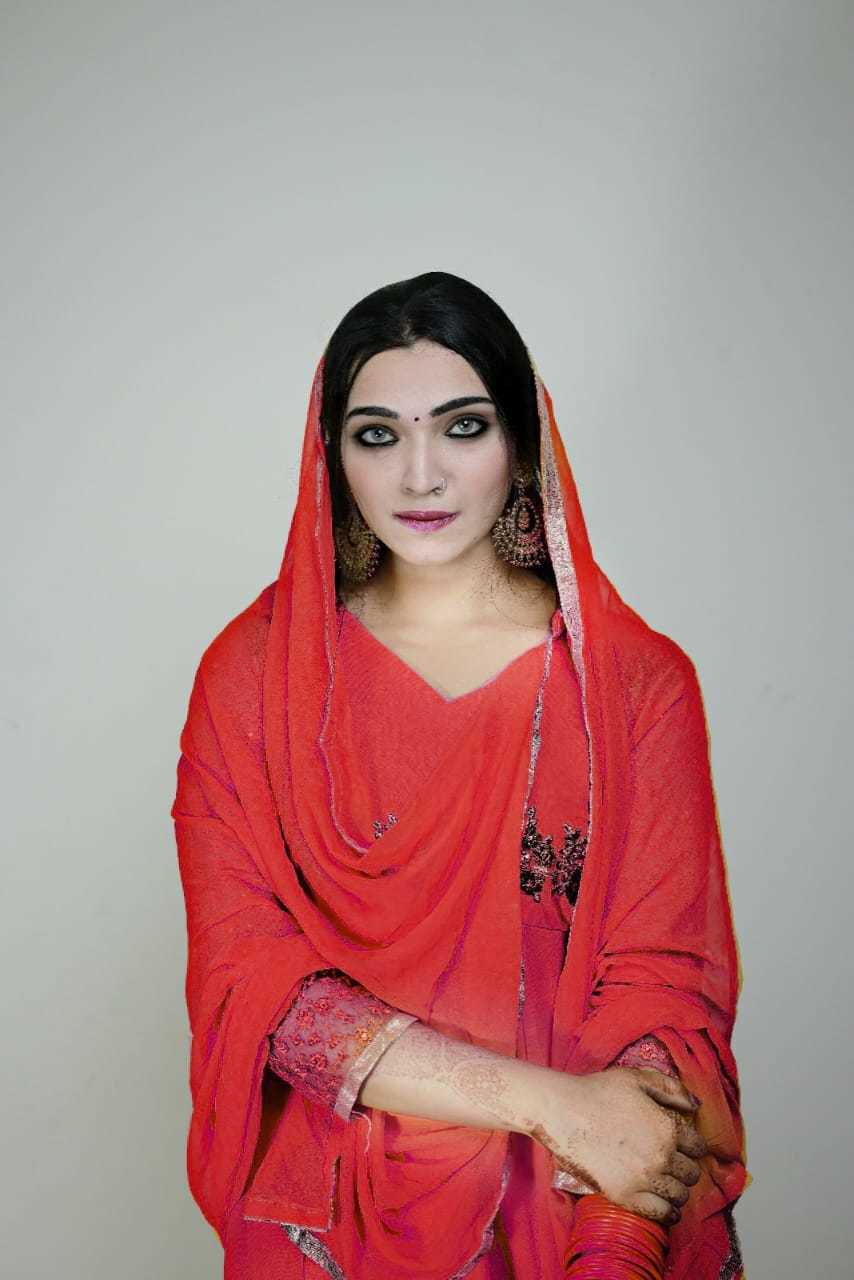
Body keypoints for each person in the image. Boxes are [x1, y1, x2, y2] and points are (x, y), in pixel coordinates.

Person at [172, 271, 749, 1279]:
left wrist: (612, 1238)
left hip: (574, 1209)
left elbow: (663, 995)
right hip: (329, 1213)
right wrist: (549, 1103)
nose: (419, 475)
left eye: (463, 427)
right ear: (331, 453)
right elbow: (257, 987)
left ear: (521, 442)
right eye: (377, 435)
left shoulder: (633, 685)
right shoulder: (254, 678)